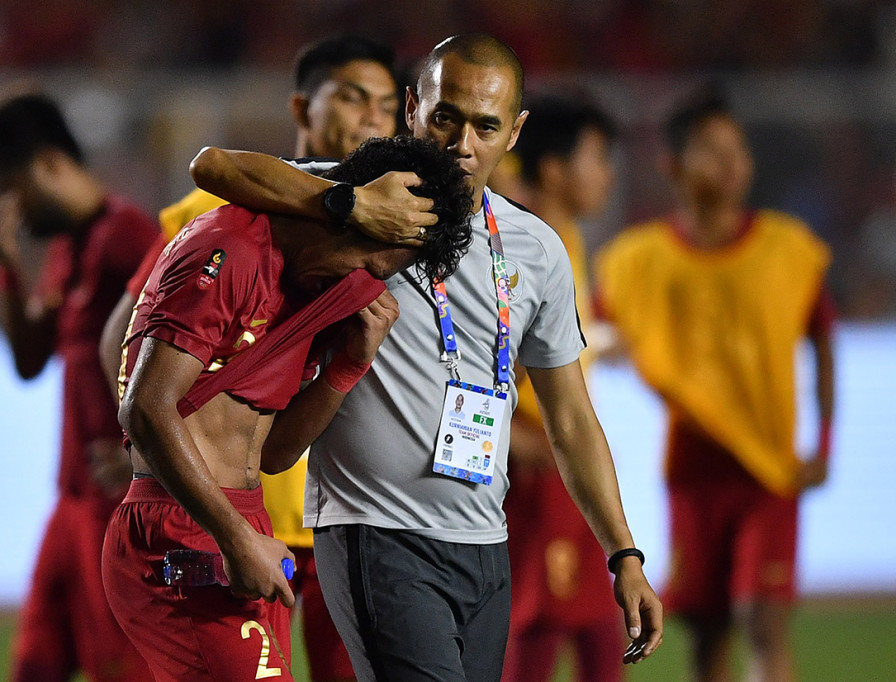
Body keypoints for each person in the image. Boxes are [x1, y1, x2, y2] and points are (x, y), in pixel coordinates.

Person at [189, 33, 663, 682]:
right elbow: (214, 167)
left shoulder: (536, 249)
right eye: (446, 117)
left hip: (484, 543)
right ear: (413, 108)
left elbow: (572, 419)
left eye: (486, 126)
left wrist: (625, 554)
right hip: (375, 531)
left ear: (515, 132)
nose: (462, 144)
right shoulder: (362, 193)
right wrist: (346, 203)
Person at [102, 135, 474, 682]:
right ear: (354, 213)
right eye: (369, 260)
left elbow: (274, 453)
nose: (364, 283)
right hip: (181, 528)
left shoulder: (315, 289)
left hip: (246, 523)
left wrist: (348, 365)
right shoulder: (231, 249)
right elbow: (146, 409)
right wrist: (235, 538)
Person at [97, 36, 402, 682]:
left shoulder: (341, 282)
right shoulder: (223, 223)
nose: (372, 117)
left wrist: (348, 365)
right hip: (207, 519)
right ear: (303, 106)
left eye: (386, 105)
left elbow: (273, 446)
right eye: (353, 97)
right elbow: (130, 359)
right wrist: (142, 445)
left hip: (306, 519)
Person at [594, 87, 835, 682]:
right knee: (704, 636)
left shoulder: (787, 248)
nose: (733, 163)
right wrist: (611, 345)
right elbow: (587, 333)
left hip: (767, 468)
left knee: (763, 621)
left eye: (740, 149)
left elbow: (824, 339)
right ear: (672, 164)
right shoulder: (637, 261)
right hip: (691, 471)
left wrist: (824, 443)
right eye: (712, 150)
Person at [0, 92, 157, 681]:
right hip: (71, 500)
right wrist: (5, 265)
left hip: (116, 503)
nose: (3, 204)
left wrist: (144, 461)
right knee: (36, 665)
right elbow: (28, 362)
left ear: (49, 164)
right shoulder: (67, 250)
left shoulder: (129, 236)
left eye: (6, 184)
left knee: (120, 669)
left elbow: (190, 353)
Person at [498, 93, 625, 682]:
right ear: (553, 168)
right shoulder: (521, 239)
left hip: (559, 458)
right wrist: (511, 441)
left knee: (599, 623)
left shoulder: (565, 237)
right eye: (596, 158)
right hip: (534, 462)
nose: (608, 174)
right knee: (542, 623)